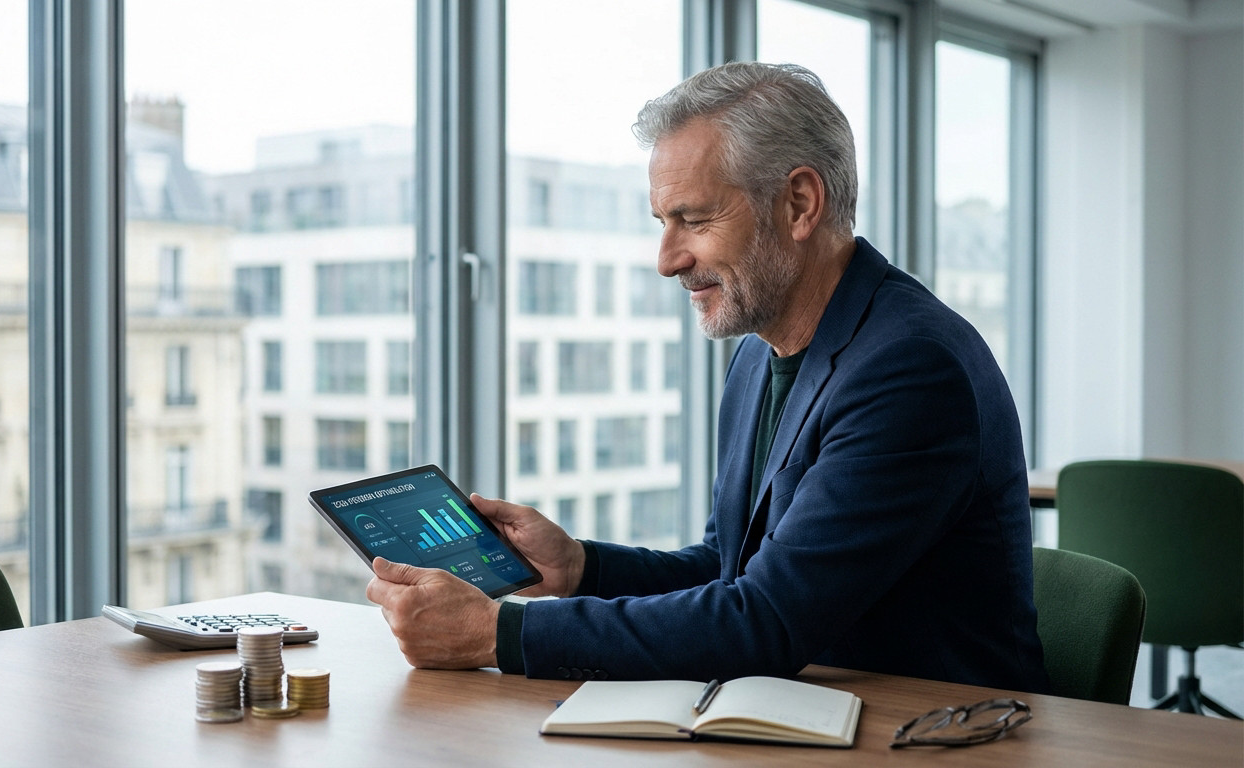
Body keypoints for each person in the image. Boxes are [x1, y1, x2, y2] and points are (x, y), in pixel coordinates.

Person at [366, 61, 1050, 693]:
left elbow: (766, 620)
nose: (667, 260)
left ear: (800, 203)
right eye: (664, 223)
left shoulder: (909, 369)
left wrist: (497, 632)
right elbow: (732, 571)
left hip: (935, 736)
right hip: (804, 716)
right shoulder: (759, 352)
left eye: (693, 219)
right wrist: (579, 568)